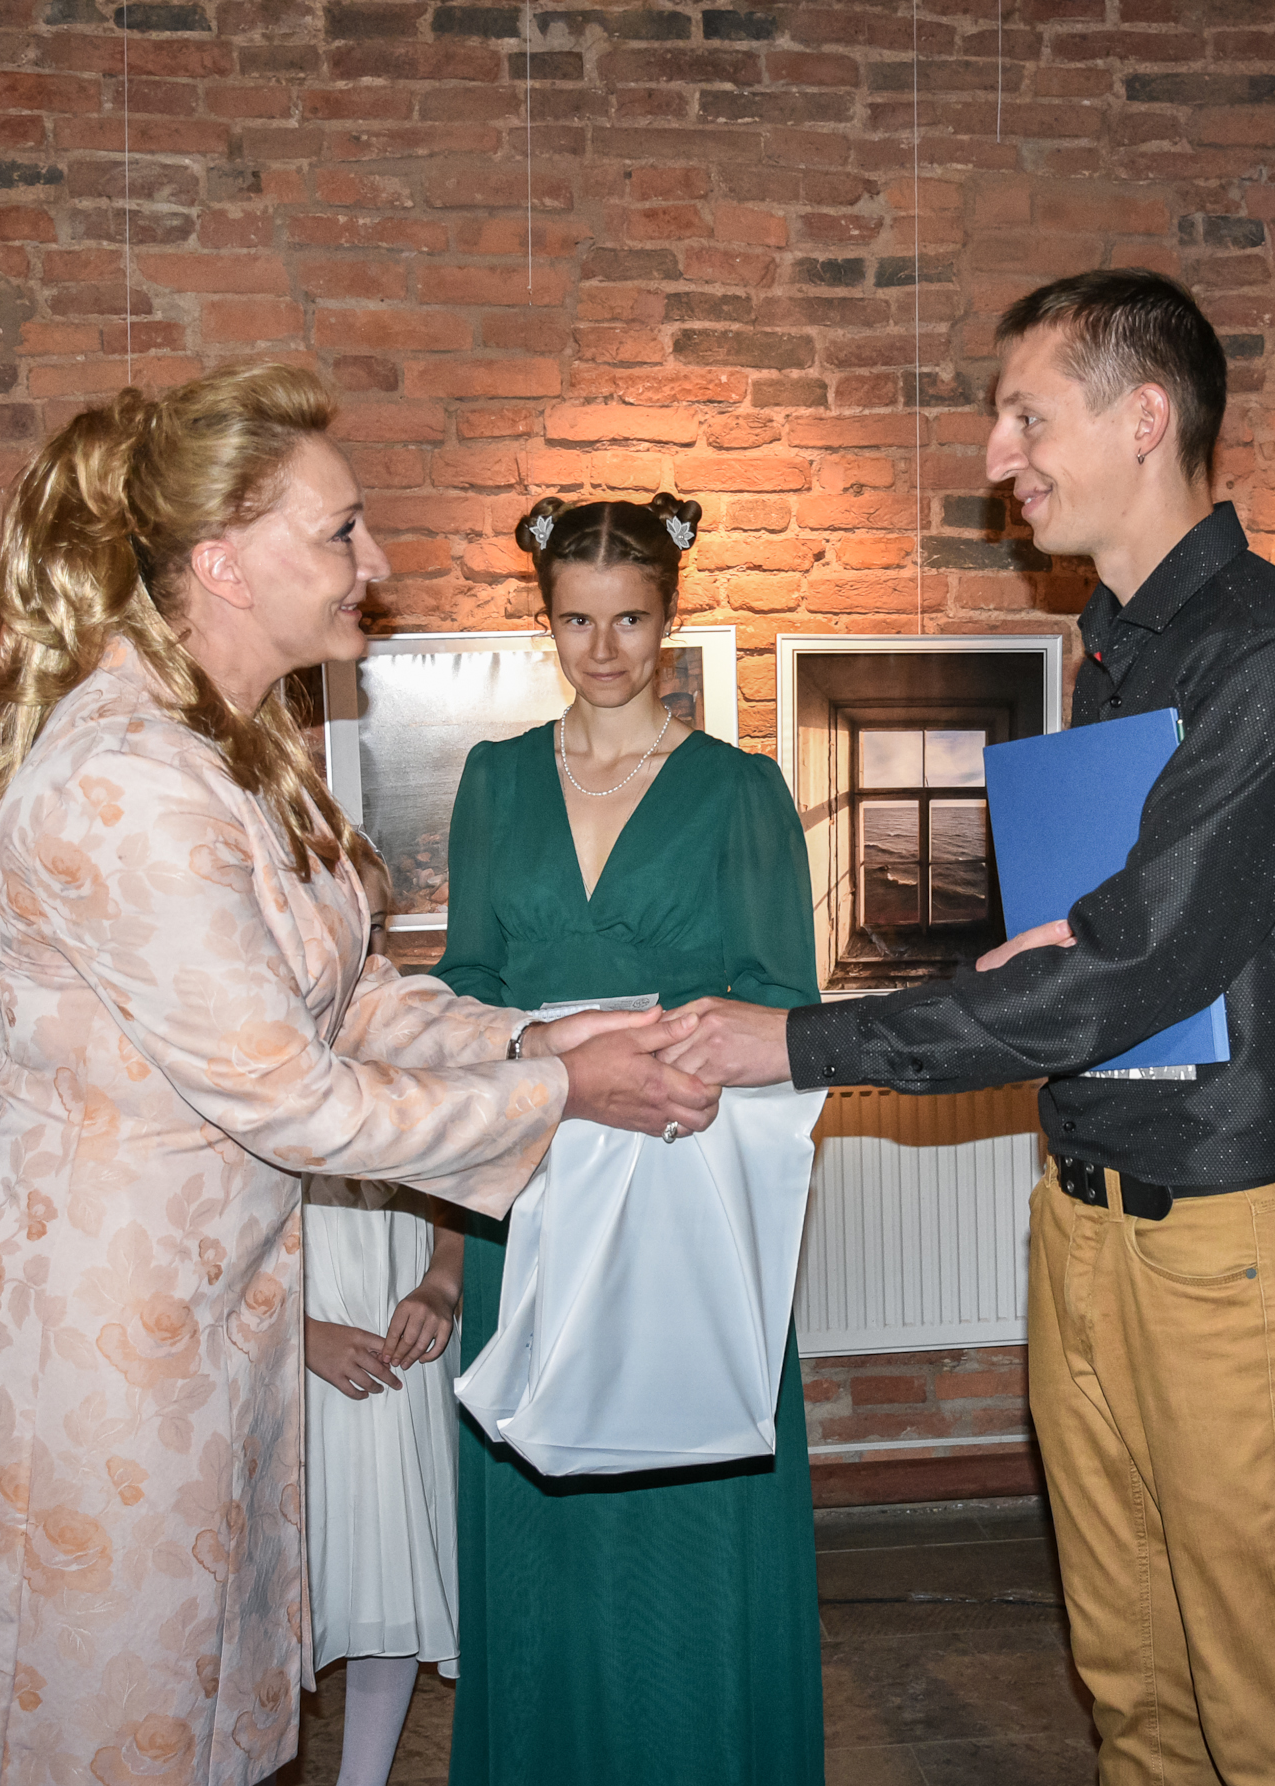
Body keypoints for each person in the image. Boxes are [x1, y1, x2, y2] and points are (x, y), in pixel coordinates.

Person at [0, 364, 719, 1786]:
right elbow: (292, 1092)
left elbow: (347, 998)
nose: (378, 561)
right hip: (102, 1323)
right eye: (342, 530)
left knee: (209, 1695)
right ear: (223, 562)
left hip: (210, 1301)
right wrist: (565, 1095)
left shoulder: (227, 754)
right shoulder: (126, 780)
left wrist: (537, 1040)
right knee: (109, 1707)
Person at [663, 270, 1275, 1785]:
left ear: (1145, 418)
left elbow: (1127, 968)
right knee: (1130, 1679)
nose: (999, 457)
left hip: (1224, 1244)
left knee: (1264, 1699)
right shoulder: (1117, 648)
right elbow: (1107, 946)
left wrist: (794, 1043)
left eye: (1027, 417)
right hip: (1082, 1217)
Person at [435, 494, 826, 1785]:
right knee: (532, 1518)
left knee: (690, 1507)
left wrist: (670, 1069)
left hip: (681, 1188)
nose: (603, 650)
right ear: (544, 620)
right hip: (529, 1180)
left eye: (630, 620)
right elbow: (463, 990)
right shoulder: (495, 779)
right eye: (575, 621)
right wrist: (542, 1071)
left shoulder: (740, 790)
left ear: (670, 617)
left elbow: (783, 1005)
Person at [302, 1174, 464, 1786]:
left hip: (403, 1290)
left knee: (390, 1559)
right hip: (287, 1299)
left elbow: (470, 1166)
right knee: (276, 1574)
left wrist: (442, 1280)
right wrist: (298, 1330)